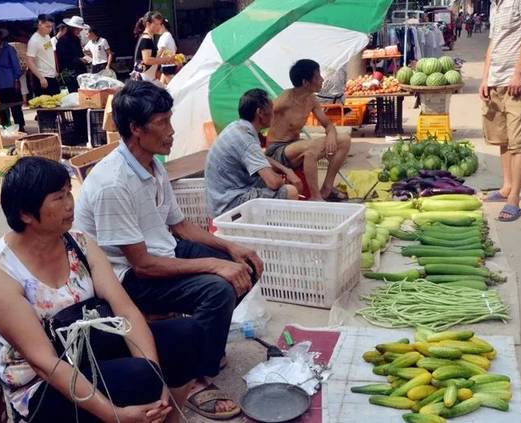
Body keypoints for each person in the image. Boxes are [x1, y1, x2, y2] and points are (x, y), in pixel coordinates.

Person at [74, 80, 263, 420]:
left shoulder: (152, 164)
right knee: (218, 288)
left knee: (246, 267)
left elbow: (179, 225)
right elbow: (142, 264)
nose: (172, 131)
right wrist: (214, 267)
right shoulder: (113, 184)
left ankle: (200, 347)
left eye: (169, 119)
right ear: (135, 129)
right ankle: (193, 379)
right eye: (162, 123)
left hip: (162, 251)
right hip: (126, 276)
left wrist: (231, 247)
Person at [0, 156, 204, 422]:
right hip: (42, 385)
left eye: (68, 193)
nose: (69, 204)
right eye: (57, 198)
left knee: (186, 335)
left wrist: (157, 377)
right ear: (25, 214)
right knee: (139, 378)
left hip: (88, 349)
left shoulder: (80, 244)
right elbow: (44, 362)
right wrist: (114, 414)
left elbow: (126, 312)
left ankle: (166, 416)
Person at [480, 0, 521, 222]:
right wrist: (485, 77)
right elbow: (493, 42)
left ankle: (514, 199)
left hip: (520, 83)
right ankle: (507, 187)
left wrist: (519, 72)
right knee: (503, 138)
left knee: (519, 142)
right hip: (496, 81)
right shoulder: (493, 4)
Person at [205, 89, 300, 218]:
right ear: (260, 113)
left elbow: (260, 157)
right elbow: (273, 182)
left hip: (220, 199)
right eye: (271, 109)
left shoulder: (237, 127)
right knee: (291, 192)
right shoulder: (246, 139)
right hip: (228, 205)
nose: (273, 113)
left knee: (266, 180)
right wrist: (283, 180)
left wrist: (286, 170)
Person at [266, 59, 350, 201]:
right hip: (277, 151)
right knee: (311, 147)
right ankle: (316, 197)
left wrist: (331, 134)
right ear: (305, 82)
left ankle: (326, 188)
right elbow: (261, 117)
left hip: (296, 146)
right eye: (317, 77)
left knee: (344, 140)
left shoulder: (311, 100)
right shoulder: (285, 99)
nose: (322, 80)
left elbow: (328, 125)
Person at [133, 11, 175, 83]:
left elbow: (152, 59)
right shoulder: (146, 38)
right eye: (156, 24)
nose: (159, 27)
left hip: (147, 79)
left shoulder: (148, 37)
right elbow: (147, 60)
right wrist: (166, 59)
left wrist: (164, 58)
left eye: (160, 24)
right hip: (144, 80)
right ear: (148, 24)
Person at [26, 14, 59, 96]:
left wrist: (56, 70)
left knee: (57, 104)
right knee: (46, 106)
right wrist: (41, 78)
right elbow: (29, 61)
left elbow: (48, 52)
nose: (50, 29)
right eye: (47, 26)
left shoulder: (47, 36)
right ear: (39, 24)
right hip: (43, 77)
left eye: (51, 26)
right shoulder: (34, 41)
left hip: (52, 75)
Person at [57, 16, 89, 93]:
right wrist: (79, 60)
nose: (80, 30)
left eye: (80, 29)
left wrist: (85, 58)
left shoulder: (76, 39)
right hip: (69, 72)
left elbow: (80, 54)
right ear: (72, 27)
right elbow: (63, 57)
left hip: (80, 70)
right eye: (78, 28)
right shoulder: (63, 40)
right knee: (75, 92)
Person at [157, 19, 179, 85]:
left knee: (172, 86)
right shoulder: (169, 35)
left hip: (167, 65)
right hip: (168, 64)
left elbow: (161, 49)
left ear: (162, 26)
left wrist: (153, 60)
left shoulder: (165, 36)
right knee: (162, 85)